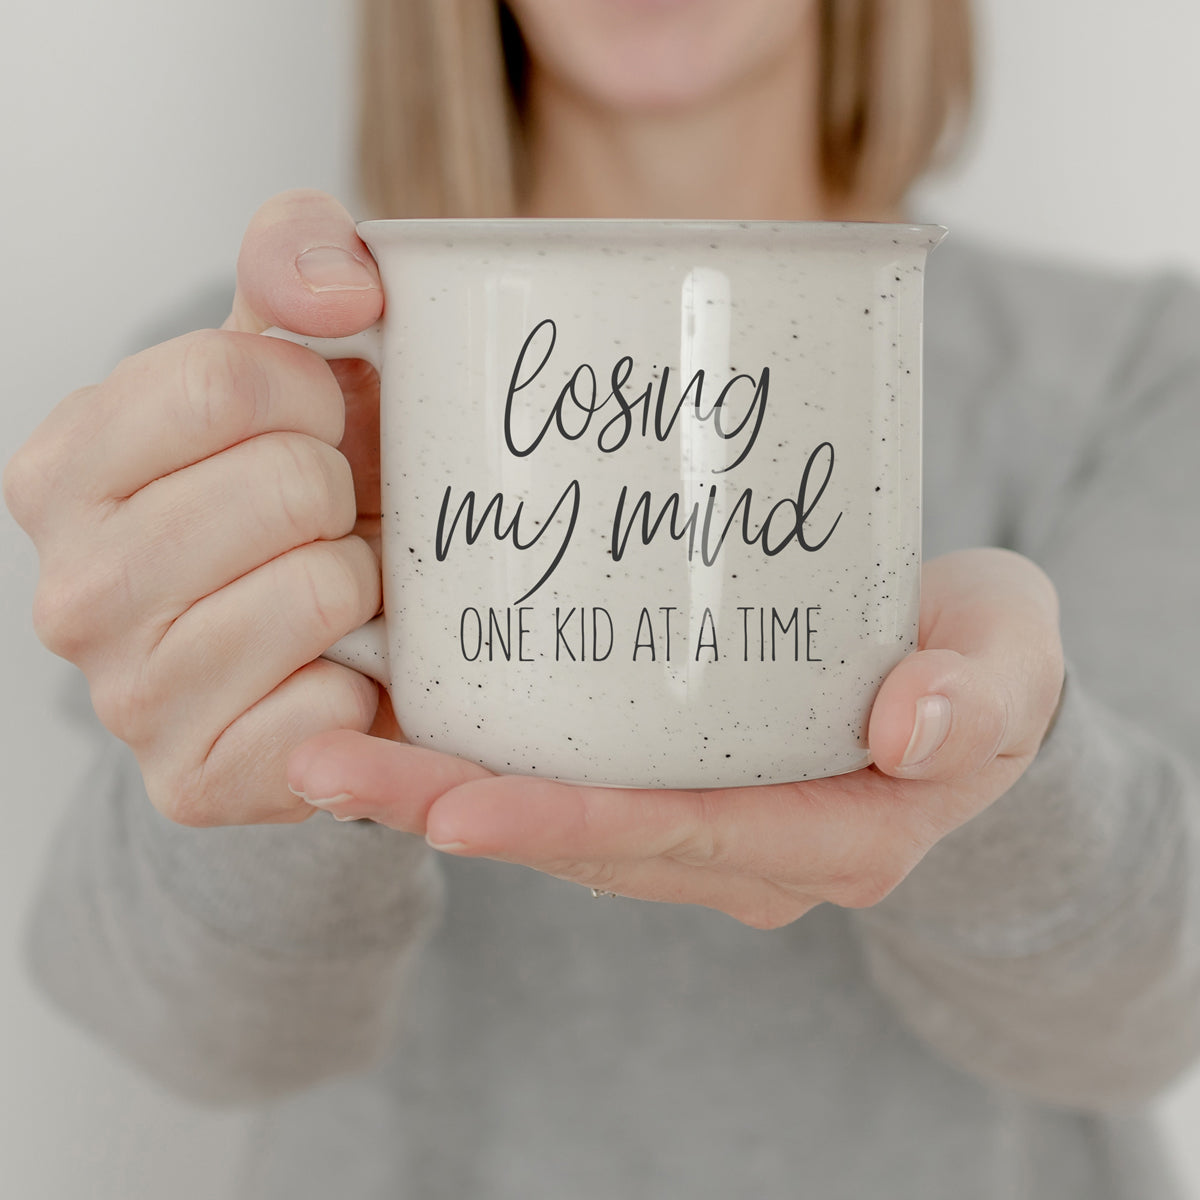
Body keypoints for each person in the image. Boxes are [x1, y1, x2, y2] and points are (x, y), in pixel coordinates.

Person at [5, 0, 1200, 1196]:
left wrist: (1008, 765)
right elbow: (175, 1029)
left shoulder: (1128, 373)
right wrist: (295, 740)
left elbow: (1156, 1011)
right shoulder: (266, 394)